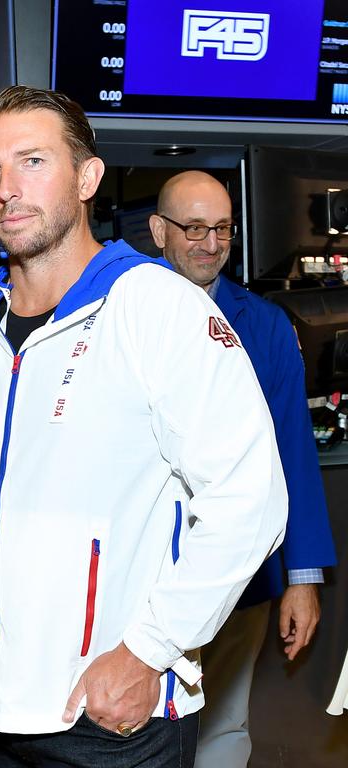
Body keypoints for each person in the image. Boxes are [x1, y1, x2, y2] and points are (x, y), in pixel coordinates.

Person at [0, 85, 288, 767]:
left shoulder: (156, 309)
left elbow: (252, 501)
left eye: (32, 161)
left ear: (87, 177)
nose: (7, 189)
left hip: (113, 712)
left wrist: (149, 647)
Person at [148, 170, 337, 768]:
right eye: (194, 227)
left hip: (242, 578)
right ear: (158, 231)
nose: (210, 243)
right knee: (137, 730)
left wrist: (303, 577)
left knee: (224, 728)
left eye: (223, 228)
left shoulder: (264, 326)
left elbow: (293, 453)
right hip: (144, 579)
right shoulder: (119, 317)